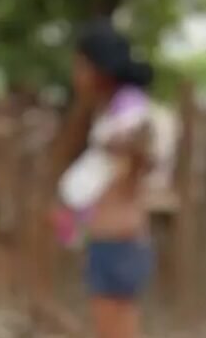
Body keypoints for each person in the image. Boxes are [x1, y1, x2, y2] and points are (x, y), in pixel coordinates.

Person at [58, 19, 156, 338]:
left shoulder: (130, 117)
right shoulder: (110, 115)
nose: (76, 75)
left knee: (116, 328)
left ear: (99, 69)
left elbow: (136, 158)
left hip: (118, 240)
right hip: (110, 239)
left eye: (80, 66)